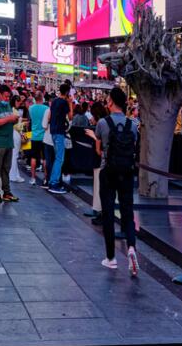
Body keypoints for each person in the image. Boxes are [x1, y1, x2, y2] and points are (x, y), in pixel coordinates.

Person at [86, 86, 139, 275]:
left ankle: (111, 258)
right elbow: (134, 146)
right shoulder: (132, 125)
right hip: (127, 171)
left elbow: (99, 148)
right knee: (127, 211)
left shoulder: (102, 123)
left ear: (110, 102)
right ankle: (131, 246)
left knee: (108, 213)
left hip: (108, 170)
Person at [0, 85, 20, 203]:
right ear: (0, 94)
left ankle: (7, 192)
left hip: (8, 142)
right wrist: (9, 119)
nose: (7, 99)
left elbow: (9, 121)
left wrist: (15, 120)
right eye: (6, 96)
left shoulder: (8, 106)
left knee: (6, 168)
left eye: (8, 97)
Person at [47, 83, 73, 194]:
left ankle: (52, 181)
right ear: (67, 92)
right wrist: (70, 103)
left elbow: (50, 116)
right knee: (59, 158)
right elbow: (70, 117)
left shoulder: (54, 101)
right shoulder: (64, 102)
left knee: (57, 157)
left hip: (53, 131)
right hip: (59, 132)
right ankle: (54, 183)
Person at [28, 90, 47, 186]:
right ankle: (46, 178)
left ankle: (33, 178)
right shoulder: (46, 108)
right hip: (44, 136)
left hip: (34, 135)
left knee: (34, 157)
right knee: (45, 158)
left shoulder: (31, 108)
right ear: (42, 98)